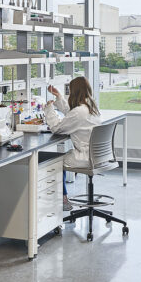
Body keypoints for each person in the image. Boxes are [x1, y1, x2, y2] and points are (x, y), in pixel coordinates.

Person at [44, 77, 102, 210]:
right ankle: (62, 197)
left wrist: (49, 110)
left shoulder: (78, 112)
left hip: (85, 158)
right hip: (98, 156)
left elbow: (56, 128)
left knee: (55, 161)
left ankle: (63, 199)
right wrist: (58, 96)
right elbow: (72, 113)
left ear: (74, 92)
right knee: (60, 157)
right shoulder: (92, 107)